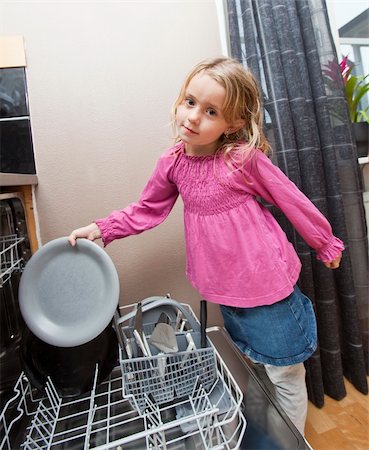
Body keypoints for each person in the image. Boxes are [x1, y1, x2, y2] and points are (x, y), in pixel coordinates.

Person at [68, 57, 343, 435]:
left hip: (266, 284)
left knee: (285, 372)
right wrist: (101, 228)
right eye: (190, 101)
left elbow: (289, 198)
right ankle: (264, 436)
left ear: (233, 124)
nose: (193, 116)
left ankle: (287, 443)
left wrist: (324, 242)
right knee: (254, 362)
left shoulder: (241, 160)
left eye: (210, 111)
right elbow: (147, 210)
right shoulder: (173, 163)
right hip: (225, 286)